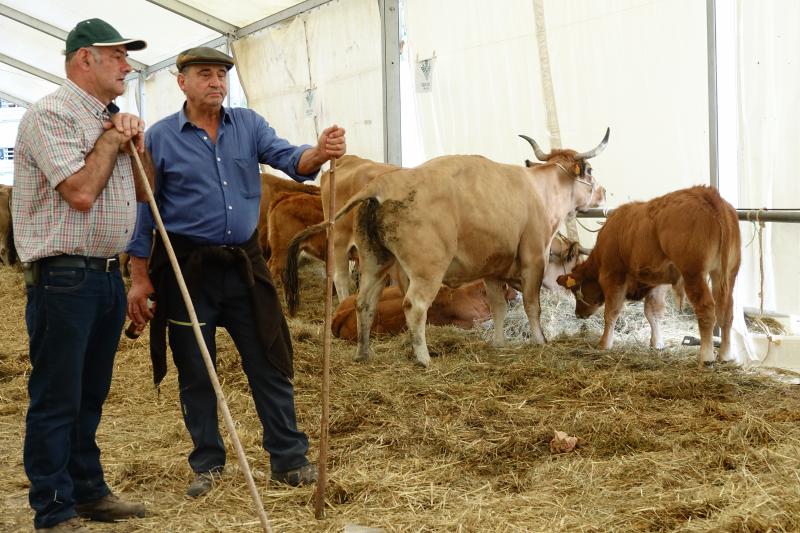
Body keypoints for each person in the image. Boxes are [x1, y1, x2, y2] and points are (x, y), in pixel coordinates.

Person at [125, 46, 346, 498]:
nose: (216, 82)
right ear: (181, 81)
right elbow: (144, 211)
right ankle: (208, 465)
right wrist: (140, 274)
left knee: (270, 359)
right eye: (204, 74)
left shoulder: (248, 125)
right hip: (188, 270)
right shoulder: (162, 138)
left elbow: (291, 159)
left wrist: (319, 152)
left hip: (245, 265)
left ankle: (288, 459)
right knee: (196, 369)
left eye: (222, 75)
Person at [12, 18, 154, 532]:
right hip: (63, 277)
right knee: (57, 396)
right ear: (83, 60)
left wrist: (137, 145)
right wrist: (112, 143)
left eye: (127, 56)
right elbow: (79, 192)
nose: (128, 65)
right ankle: (52, 508)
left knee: (90, 392)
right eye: (117, 56)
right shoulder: (51, 115)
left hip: (105, 276)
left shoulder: (112, 120)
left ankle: (88, 490)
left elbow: (146, 195)